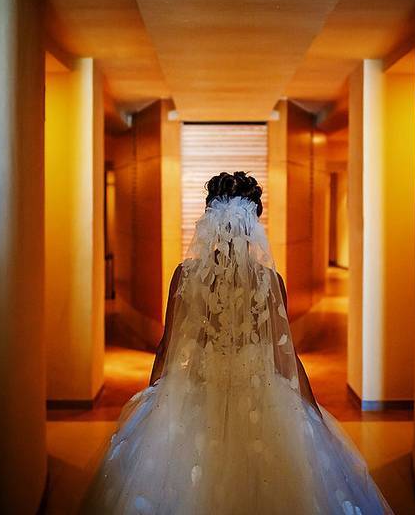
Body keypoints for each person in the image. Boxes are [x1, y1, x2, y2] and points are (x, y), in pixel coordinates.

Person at [82, 172, 391, 515]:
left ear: (209, 222)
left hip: (199, 392)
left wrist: (154, 402)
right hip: (261, 399)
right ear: (253, 224)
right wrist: (313, 413)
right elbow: (285, 356)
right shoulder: (269, 280)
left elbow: (167, 348)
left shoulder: (186, 275)